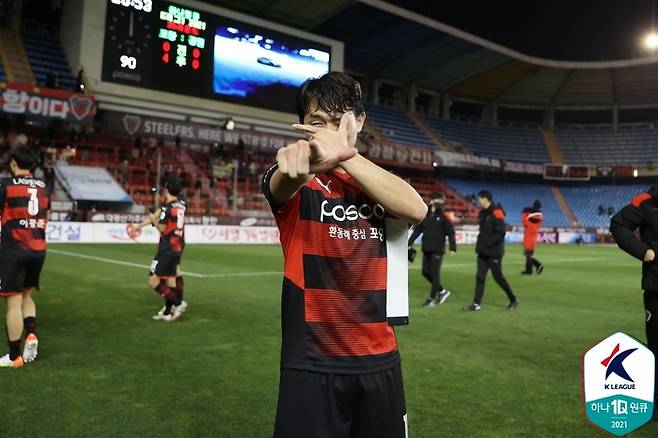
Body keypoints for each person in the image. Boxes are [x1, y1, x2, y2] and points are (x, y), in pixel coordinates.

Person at [263, 71, 427, 438]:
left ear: (360, 123)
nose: (329, 133)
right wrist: (300, 165)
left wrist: (345, 155)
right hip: (311, 364)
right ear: (303, 126)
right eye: (318, 123)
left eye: (339, 123)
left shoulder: (378, 185)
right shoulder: (298, 179)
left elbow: (416, 208)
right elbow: (280, 183)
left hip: (380, 359)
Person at [610, 185, 658, 420]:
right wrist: (642, 250)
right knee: (656, 348)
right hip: (656, 286)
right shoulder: (647, 201)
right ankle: (654, 404)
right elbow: (618, 224)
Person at [0, 145, 49, 368]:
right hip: (38, 250)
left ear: (13, 164)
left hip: (14, 250)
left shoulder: (5, 186)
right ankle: (31, 334)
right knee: (27, 296)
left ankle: (13, 356)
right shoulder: (44, 188)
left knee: (13, 302)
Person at [130, 177, 188, 321]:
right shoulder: (180, 205)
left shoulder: (168, 208)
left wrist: (154, 220)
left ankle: (178, 303)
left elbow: (161, 226)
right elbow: (157, 215)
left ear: (167, 189)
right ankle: (168, 311)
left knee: (153, 280)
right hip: (178, 245)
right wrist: (139, 226)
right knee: (171, 278)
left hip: (168, 247)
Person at [464, 191, 519, 312]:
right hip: (482, 252)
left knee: (498, 277)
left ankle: (513, 299)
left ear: (486, 199)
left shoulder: (497, 212)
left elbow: (501, 233)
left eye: (480, 199)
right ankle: (476, 303)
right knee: (480, 278)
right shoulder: (483, 213)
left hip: (494, 252)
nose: (479, 201)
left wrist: (488, 244)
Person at [408, 192, 456, 307]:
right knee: (425, 272)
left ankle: (432, 299)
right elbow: (417, 231)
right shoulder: (426, 216)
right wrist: (409, 243)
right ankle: (442, 291)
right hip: (427, 249)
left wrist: (452, 248)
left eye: (433, 200)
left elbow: (450, 233)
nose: (431, 202)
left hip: (437, 250)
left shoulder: (444, 218)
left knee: (435, 274)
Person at [521, 200, 544, 275]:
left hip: (528, 239)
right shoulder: (540, 217)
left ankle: (535, 267)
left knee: (528, 255)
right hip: (533, 239)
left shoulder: (527, 219)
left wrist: (524, 212)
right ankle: (533, 268)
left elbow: (524, 220)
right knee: (528, 255)